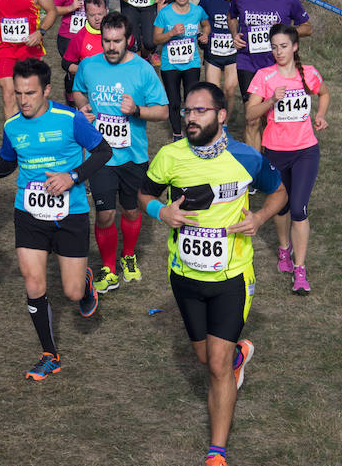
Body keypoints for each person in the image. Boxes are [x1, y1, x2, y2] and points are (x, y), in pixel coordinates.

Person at [138, 82, 288, 466]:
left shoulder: (246, 158)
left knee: (216, 367)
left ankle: (216, 451)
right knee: (206, 357)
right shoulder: (170, 156)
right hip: (184, 275)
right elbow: (145, 195)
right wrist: (162, 212)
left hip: (232, 277)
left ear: (221, 115)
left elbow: (280, 193)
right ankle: (238, 355)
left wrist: (259, 217)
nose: (191, 118)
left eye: (200, 111)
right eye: (188, 111)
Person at [0, 58, 112, 380]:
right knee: (33, 282)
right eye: (19, 93)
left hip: (70, 213)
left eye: (30, 93)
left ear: (46, 90)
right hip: (29, 213)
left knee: (73, 293)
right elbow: (7, 164)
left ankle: (86, 283)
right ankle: (50, 354)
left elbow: (104, 152)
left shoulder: (71, 119)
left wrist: (72, 176)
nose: (23, 101)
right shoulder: (13, 126)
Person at [72, 11, 168, 293]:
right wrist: (83, 107)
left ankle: (128, 257)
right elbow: (79, 90)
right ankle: (108, 268)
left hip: (133, 156)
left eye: (117, 41)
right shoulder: (89, 66)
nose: (111, 47)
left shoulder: (142, 70)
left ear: (128, 40)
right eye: (106, 41)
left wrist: (137, 110)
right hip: (100, 156)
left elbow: (163, 111)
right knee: (104, 215)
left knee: (130, 210)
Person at [244, 24, 330, 294]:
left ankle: (300, 269)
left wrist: (321, 114)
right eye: (274, 47)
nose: (278, 52)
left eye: (283, 46)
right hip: (275, 151)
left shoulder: (309, 73)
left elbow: (324, 93)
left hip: (306, 151)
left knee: (298, 208)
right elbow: (249, 115)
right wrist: (270, 101)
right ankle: (284, 248)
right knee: (280, 208)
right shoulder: (264, 76)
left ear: (295, 47)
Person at [228, 0, 312, 152]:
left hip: (277, 65)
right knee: (252, 119)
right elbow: (232, 17)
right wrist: (234, 35)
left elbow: (307, 28)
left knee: (273, 118)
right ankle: (256, 171)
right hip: (248, 63)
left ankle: (274, 159)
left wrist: (285, 33)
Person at [153, 0, 211, 142]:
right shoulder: (165, 13)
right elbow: (156, 39)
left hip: (191, 63)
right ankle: (177, 135)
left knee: (190, 100)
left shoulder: (197, 11)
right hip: (170, 65)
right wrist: (171, 33)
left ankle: (191, 130)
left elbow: (206, 24)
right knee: (174, 101)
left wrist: (204, 34)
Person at [53, 0, 104, 105]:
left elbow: (101, 7)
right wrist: (70, 7)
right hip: (68, 35)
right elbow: (53, 9)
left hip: (91, 35)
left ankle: (89, 100)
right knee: (73, 70)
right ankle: (71, 99)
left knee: (89, 69)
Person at [198, 0, 240, 116]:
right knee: (213, 91)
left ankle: (225, 124)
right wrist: (202, 35)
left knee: (229, 89)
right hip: (213, 53)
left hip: (233, 53)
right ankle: (215, 123)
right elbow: (200, 21)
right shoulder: (207, 0)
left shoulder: (242, 0)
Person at [61, 0, 108, 105]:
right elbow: (66, 64)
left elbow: (133, 51)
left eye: (100, 14)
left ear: (106, 11)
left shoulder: (117, 31)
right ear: (86, 14)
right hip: (88, 90)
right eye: (92, 15)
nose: (97, 18)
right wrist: (89, 70)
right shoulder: (80, 37)